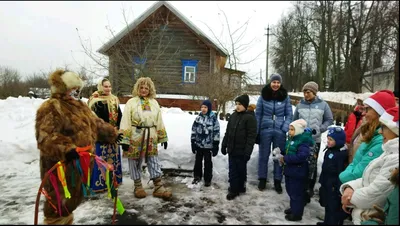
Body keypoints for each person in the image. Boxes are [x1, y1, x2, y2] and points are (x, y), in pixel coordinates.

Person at [35, 69, 120, 224]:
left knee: (72, 200)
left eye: (75, 88)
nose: (74, 92)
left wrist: (112, 133)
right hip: (61, 166)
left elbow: (95, 123)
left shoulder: (79, 105)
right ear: (61, 88)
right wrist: (67, 149)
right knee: (58, 203)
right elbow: (46, 137)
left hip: (80, 164)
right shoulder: (50, 107)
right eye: (70, 88)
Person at [340, 106, 399, 225]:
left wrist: (349, 198)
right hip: (365, 216)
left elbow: (376, 193)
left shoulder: (395, 158)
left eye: (384, 127)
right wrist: (350, 187)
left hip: (371, 217)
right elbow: (369, 177)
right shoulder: (389, 152)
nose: (380, 131)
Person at [119, 77, 171, 200]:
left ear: (150, 89)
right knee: (134, 160)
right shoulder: (131, 102)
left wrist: (163, 137)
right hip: (135, 135)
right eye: (141, 87)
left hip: (151, 134)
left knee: (153, 159)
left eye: (146, 88)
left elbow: (159, 120)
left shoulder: (154, 103)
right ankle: (138, 186)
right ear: (137, 88)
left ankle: (158, 187)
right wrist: (124, 140)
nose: (143, 90)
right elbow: (125, 120)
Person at [339, 90, 396, 184]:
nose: (363, 113)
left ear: (379, 112)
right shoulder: (369, 130)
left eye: (367, 109)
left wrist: (342, 177)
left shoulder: (382, 139)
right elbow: (356, 161)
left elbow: (362, 171)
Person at [293, 81, 333, 203]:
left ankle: (309, 188)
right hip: (301, 140)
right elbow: (294, 120)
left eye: (308, 92)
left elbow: (329, 119)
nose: (306, 94)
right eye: (304, 92)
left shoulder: (323, 105)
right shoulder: (300, 105)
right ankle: (300, 186)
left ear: (314, 92)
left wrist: (320, 129)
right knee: (301, 162)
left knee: (312, 164)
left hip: (314, 141)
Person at [255, 74, 293, 193]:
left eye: (278, 82)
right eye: (273, 82)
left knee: (278, 156)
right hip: (265, 130)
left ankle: (277, 180)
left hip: (279, 131)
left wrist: (284, 128)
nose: (275, 84)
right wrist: (257, 131)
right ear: (270, 83)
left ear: (280, 84)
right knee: (263, 155)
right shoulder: (263, 96)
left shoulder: (285, 97)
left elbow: (289, 114)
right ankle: (262, 178)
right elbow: (258, 115)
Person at [87, 78, 123, 192]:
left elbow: (119, 115)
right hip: (101, 135)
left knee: (113, 159)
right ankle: (99, 185)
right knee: (100, 159)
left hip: (113, 134)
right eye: (105, 86)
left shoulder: (114, 99)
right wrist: (104, 131)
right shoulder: (94, 101)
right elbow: (94, 119)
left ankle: (113, 181)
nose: (108, 89)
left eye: (109, 86)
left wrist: (118, 129)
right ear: (100, 87)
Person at [221, 94, 257, 200]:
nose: (237, 106)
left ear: (245, 105)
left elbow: (251, 137)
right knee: (233, 170)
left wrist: (247, 152)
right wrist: (224, 144)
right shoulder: (233, 116)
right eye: (236, 104)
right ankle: (233, 189)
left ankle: (241, 186)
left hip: (242, 151)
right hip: (232, 149)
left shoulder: (250, 118)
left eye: (240, 104)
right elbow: (228, 132)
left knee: (241, 170)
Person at [281, 119, 313, 221]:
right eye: (289, 129)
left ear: (298, 130)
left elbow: (302, 156)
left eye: (292, 130)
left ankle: (297, 214)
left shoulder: (303, 142)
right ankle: (294, 208)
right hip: (290, 170)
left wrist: (285, 158)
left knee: (296, 193)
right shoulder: (291, 139)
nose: (289, 132)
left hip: (298, 172)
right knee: (290, 190)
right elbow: (288, 150)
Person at [317, 127, 348, 225]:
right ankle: (327, 222)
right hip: (326, 182)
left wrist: (338, 187)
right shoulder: (330, 150)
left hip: (333, 186)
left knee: (333, 208)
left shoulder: (340, 155)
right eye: (328, 139)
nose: (328, 141)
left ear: (338, 141)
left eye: (331, 139)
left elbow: (340, 173)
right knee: (327, 204)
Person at [191, 99, 220, 186]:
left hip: (208, 146)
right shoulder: (198, 118)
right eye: (202, 107)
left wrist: (216, 144)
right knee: (198, 162)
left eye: (205, 107)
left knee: (208, 162)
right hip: (199, 145)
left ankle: (207, 179)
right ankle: (197, 176)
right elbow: (194, 130)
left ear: (209, 108)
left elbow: (216, 131)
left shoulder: (213, 119)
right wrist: (193, 142)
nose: (203, 109)